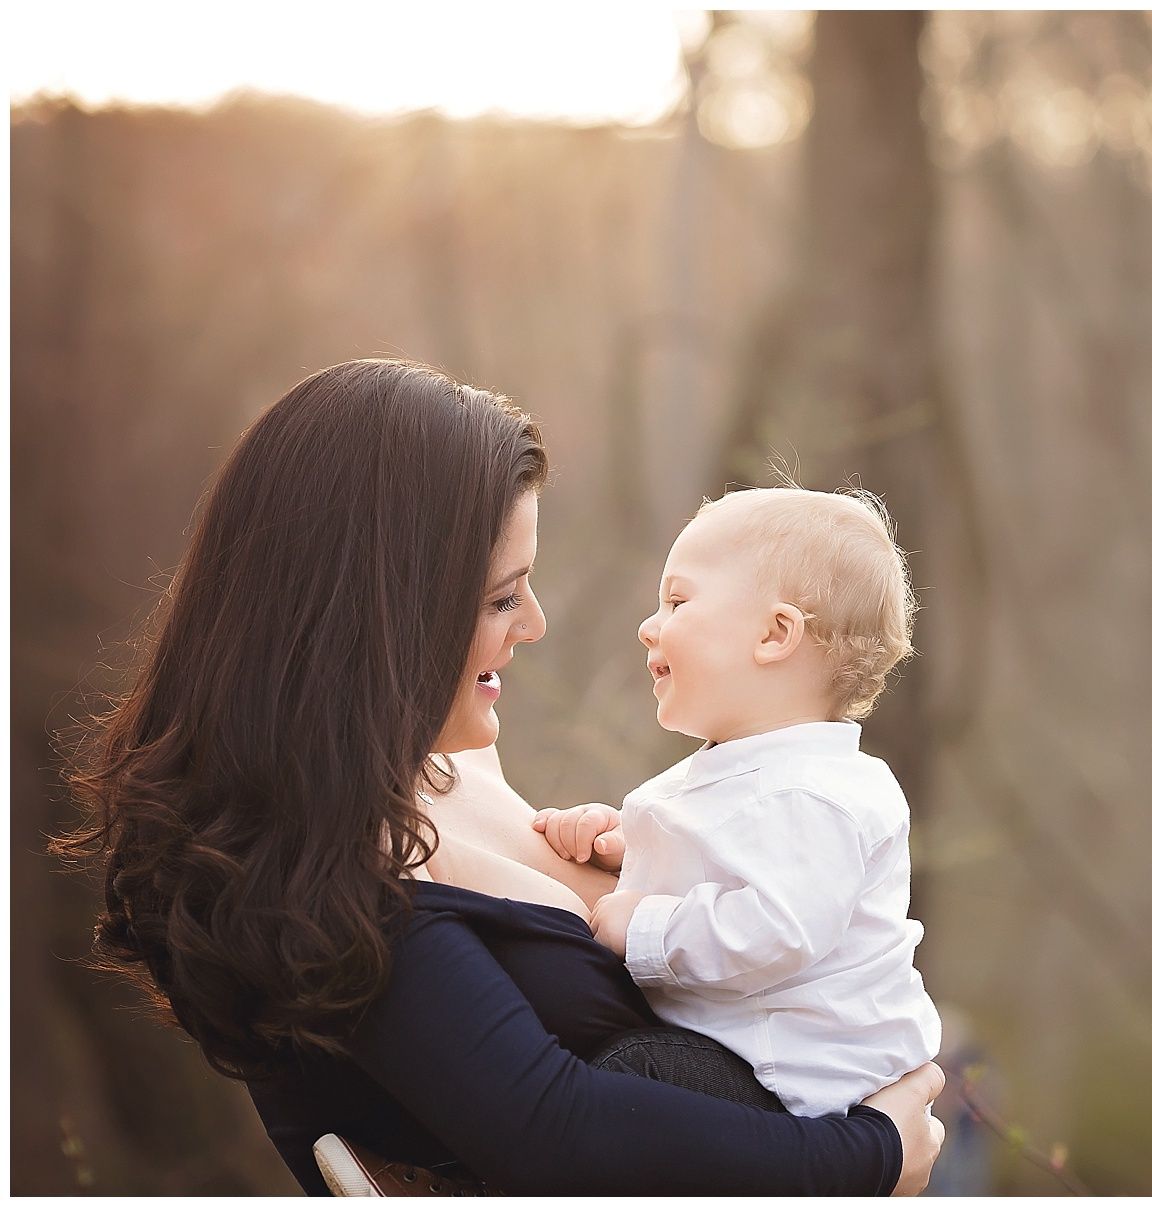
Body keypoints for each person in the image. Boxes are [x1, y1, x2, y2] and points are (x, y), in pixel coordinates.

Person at [53, 359, 944, 1195]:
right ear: (383, 614)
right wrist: (871, 1152)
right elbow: (556, 1128)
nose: (537, 625)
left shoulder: (457, 756)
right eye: (501, 598)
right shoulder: (323, 875)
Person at [527, 486, 941, 1118]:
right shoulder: (751, 771)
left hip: (796, 1084)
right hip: (741, 1054)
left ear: (775, 635)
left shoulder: (813, 792)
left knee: (625, 1084)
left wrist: (643, 923)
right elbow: (720, 865)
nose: (648, 626)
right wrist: (623, 849)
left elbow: (775, 930)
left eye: (677, 601)